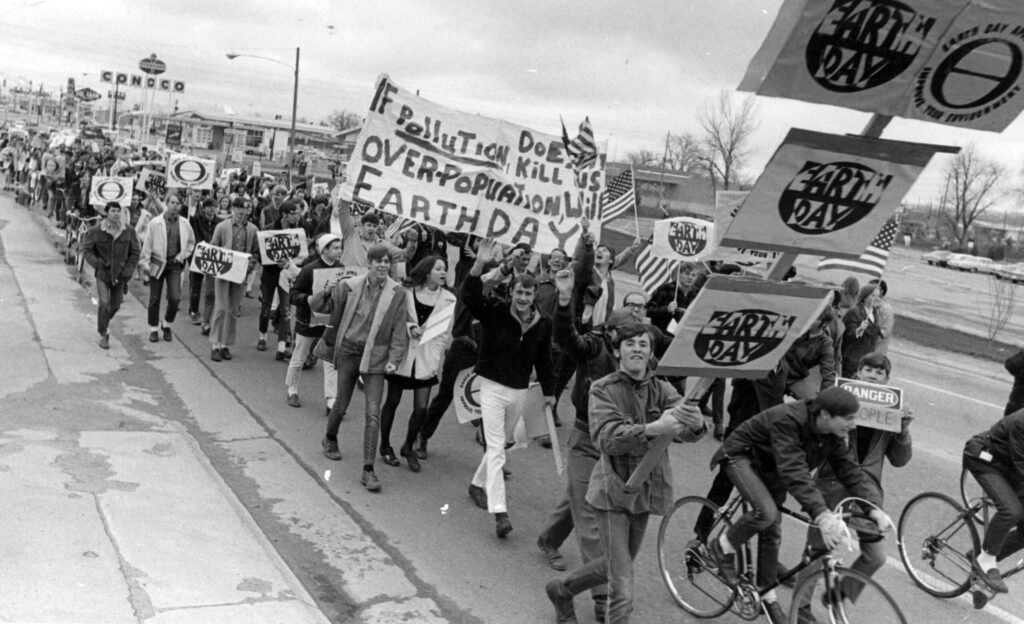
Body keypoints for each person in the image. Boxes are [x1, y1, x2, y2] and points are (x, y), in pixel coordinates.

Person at [545, 323, 706, 624]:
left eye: (643, 344)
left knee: (613, 566)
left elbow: (686, 431)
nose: (636, 349)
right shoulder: (602, 389)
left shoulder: (663, 388)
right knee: (623, 586)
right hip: (612, 491)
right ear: (617, 351)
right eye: (630, 344)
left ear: (650, 353)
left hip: (644, 492)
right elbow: (605, 438)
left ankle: (561, 590)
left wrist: (695, 423)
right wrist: (652, 429)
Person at [706, 387, 893, 623]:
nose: (853, 425)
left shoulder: (831, 433)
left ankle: (766, 595)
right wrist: (823, 515)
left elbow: (850, 471)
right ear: (825, 414)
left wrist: (874, 509)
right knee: (766, 513)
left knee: (772, 531)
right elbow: (795, 472)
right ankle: (721, 547)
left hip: (771, 466)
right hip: (742, 455)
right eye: (848, 418)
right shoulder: (789, 420)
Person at [537, 269, 643, 620]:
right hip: (585, 439)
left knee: (577, 500)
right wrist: (565, 302)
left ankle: (548, 538)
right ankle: (601, 599)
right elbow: (568, 339)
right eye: (626, 337)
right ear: (611, 334)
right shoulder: (594, 346)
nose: (632, 345)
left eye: (638, 338)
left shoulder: (642, 358)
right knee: (592, 520)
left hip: (615, 447)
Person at [793, 353, 912, 617]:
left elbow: (900, 460)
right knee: (817, 551)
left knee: (876, 555)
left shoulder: (893, 414)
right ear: (857, 374)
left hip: (866, 492)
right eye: (867, 369)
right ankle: (800, 609)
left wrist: (903, 431)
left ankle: (840, 593)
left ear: (887, 380)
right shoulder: (840, 404)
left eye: (879, 372)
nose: (872, 375)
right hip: (831, 486)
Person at [463, 240, 555, 539]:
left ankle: (477, 484)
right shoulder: (497, 311)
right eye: (519, 292)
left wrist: (550, 393)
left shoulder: (543, 324)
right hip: (490, 387)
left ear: (534, 295)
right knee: (495, 447)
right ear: (511, 292)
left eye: (529, 293)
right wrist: (478, 267)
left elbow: (543, 358)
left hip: (519, 390)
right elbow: (471, 297)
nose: (524, 298)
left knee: (500, 446)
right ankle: (500, 512)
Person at [312, 246, 410, 492]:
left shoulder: (397, 293)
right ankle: (330, 437)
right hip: (348, 351)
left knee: (372, 412)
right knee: (341, 403)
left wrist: (394, 359)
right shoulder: (350, 286)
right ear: (369, 263)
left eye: (387, 262)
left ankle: (368, 470)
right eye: (379, 261)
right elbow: (320, 309)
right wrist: (326, 291)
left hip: (375, 358)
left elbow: (400, 331)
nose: (383, 266)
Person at [378, 255, 455, 472]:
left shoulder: (449, 298)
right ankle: (385, 445)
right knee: (392, 401)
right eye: (439, 268)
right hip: (403, 355)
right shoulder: (406, 292)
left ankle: (408, 446)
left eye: (445, 269)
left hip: (426, 358)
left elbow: (444, 332)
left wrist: (433, 348)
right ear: (427, 271)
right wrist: (411, 327)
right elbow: (397, 319)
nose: (443, 272)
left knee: (421, 407)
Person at [963, 409, 1024, 595]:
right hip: (986, 459)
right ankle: (986, 559)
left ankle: (978, 558)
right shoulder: (1022, 422)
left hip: (1011, 467)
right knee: (1011, 511)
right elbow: (1022, 463)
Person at [286, 234, 343, 414]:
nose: (338, 251)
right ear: (324, 250)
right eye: (334, 248)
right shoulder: (309, 269)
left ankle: (331, 399)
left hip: (329, 320)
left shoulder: (342, 269)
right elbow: (293, 294)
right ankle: (292, 389)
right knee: (300, 355)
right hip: (308, 319)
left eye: (339, 247)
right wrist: (310, 298)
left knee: (329, 359)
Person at [81, 201, 141, 349]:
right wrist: (97, 263)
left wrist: (128, 270)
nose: (116, 214)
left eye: (118, 211)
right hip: (103, 273)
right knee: (104, 303)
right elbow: (87, 250)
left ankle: (104, 322)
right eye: (113, 211)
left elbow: (135, 252)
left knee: (115, 305)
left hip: (120, 275)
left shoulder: (128, 231)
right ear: (106, 213)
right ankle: (104, 333)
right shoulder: (96, 231)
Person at [139, 192, 196, 343]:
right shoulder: (155, 223)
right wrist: (145, 264)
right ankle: (153, 328)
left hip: (174, 265)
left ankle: (167, 324)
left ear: (181, 206)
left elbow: (191, 242)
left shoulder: (184, 223)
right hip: (157, 263)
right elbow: (147, 244)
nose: (175, 205)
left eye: (178, 203)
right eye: (172, 202)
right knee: (154, 298)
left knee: (175, 298)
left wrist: (181, 256)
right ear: (166, 203)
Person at [208, 197, 259, 362]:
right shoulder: (222, 226)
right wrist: (220, 255)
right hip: (223, 272)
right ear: (233, 209)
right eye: (239, 209)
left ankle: (226, 345)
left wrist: (250, 265)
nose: (242, 213)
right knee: (221, 308)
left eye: (245, 210)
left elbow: (255, 252)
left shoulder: (252, 229)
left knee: (233, 310)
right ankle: (215, 344)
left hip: (240, 274)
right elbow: (212, 247)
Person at [257, 200, 302, 358]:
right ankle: (262, 336)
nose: (297, 216)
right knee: (266, 307)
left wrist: (290, 264)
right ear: (284, 214)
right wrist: (274, 261)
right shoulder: (268, 230)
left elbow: (301, 255)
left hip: (286, 275)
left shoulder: (297, 232)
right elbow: (260, 255)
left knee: (285, 310)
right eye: (293, 213)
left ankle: (281, 346)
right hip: (270, 274)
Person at [188, 198, 221, 324]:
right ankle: (193, 310)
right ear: (204, 207)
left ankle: (208, 315)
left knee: (211, 289)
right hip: (198, 256)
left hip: (213, 258)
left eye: (215, 206)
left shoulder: (219, 222)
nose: (212, 209)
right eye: (210, 206)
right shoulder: (196, 219)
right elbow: (194, 235)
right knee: (195, 285)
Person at [841, 285, 881, 377]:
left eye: (878, 296)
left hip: (867, 363)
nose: (877, 299)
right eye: (873, 296)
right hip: (852, 362)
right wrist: (859, 329)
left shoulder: (875, 313)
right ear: (865, 298)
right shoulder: (854, 312)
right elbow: (847, 335)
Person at [869, 279, 895, 355]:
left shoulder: (886, 310)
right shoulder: (868, 304)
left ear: (881, 291)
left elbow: (884, 333)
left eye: (872, 288)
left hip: (876, 352)